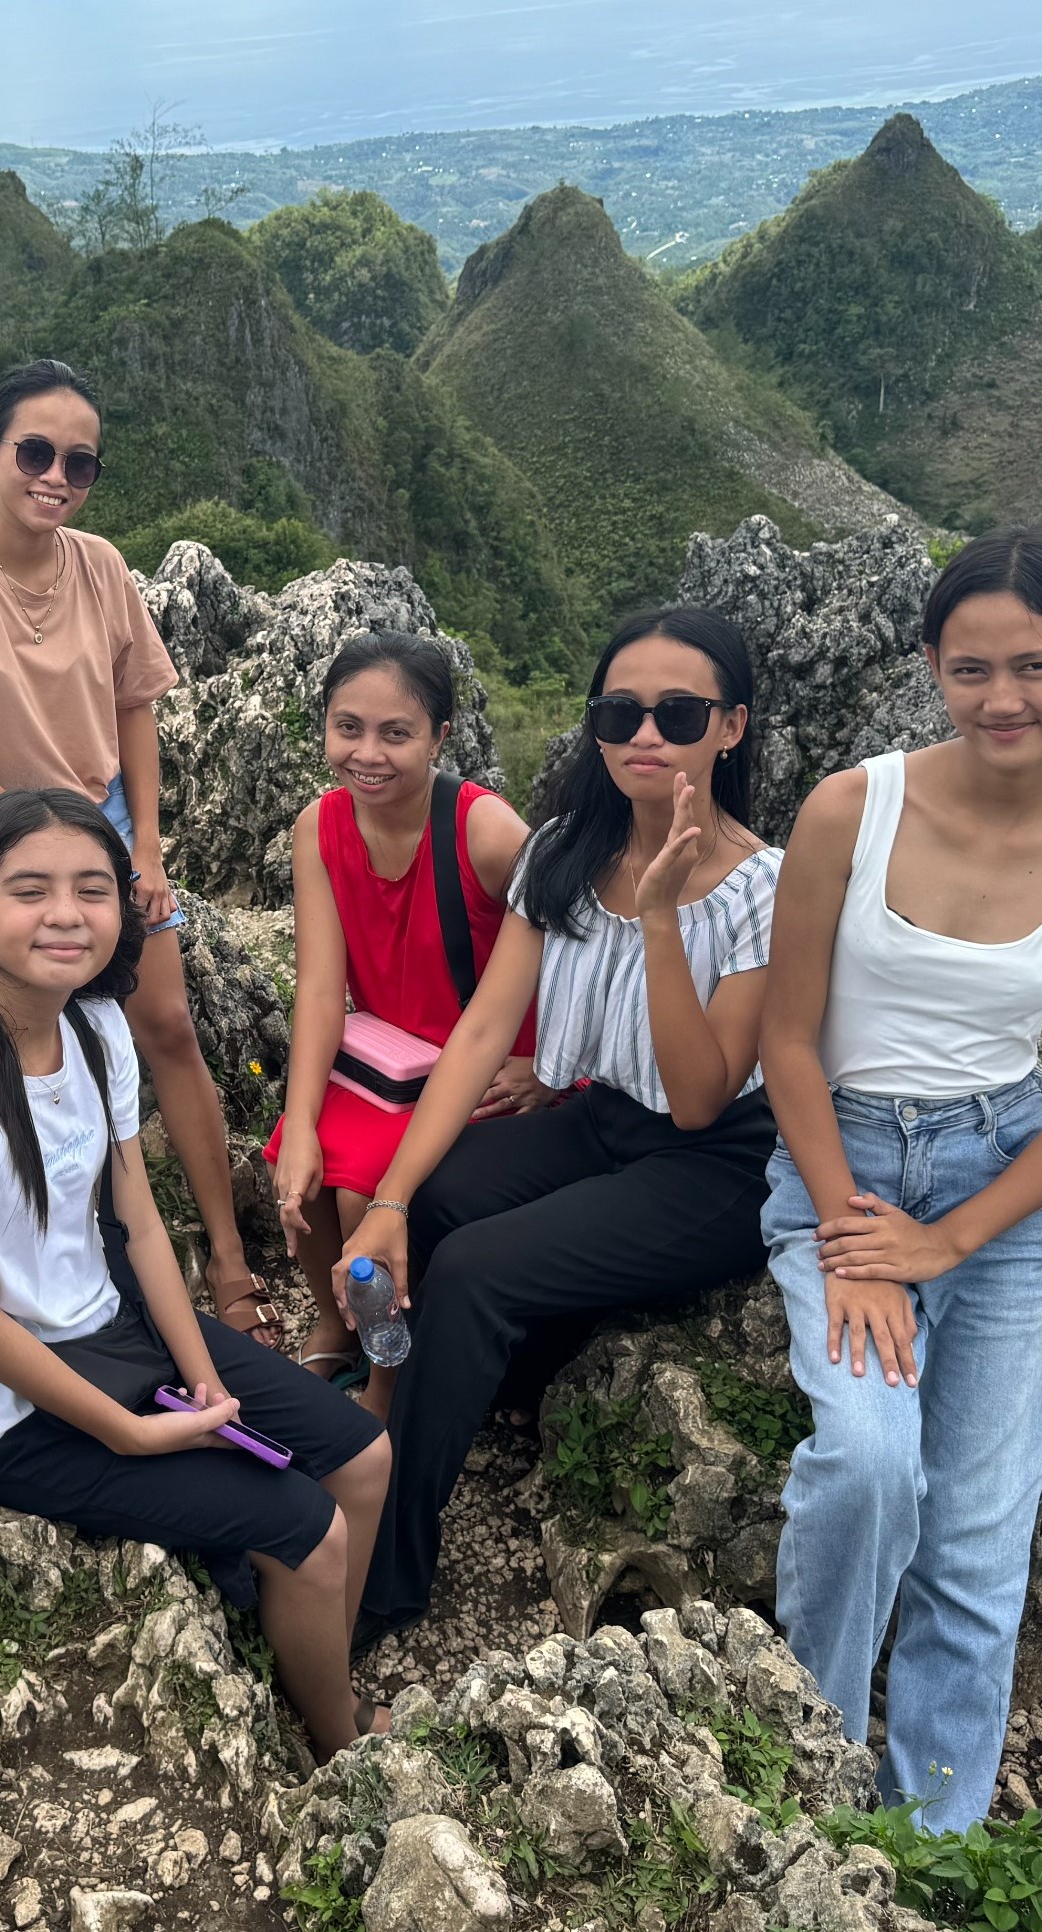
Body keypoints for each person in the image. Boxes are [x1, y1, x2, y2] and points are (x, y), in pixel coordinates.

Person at [756, 525, 1042, 1832]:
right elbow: (785, 1038)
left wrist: (950, 1245)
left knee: (981, 1545)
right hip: (851, 1158)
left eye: (1037, 666)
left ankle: (933, 1838)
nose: (1004, 699)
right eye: (972, 668)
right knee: (871, 1468)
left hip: (1006, 1190)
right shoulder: (852, 809)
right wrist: (853, 1228)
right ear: (934, 665)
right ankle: (811, 1777)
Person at [0, 789, 392, 1759]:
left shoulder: (95, 1027)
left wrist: (208, 1374)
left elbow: (137, 1216)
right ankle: (336, 1738)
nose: (66, 912)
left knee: (363, 1455)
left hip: (104, 1324)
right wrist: (131, 1435)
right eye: (30, 889)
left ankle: (321, 1660)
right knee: (307, 1526)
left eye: (91, 888)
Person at [336, 607, 784, 1639]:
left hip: (715, 1162)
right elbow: (489, 1024)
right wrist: (392, 1200)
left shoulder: (766, 885)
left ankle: (384, 1566)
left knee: (480, 1267)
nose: (646, 734)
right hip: (608, 1119)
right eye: (620, 710)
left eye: (679, 712)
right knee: (436, 1194)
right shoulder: (565, 851)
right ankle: (415, 1395)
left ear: (732, 725)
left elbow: (705, 1091)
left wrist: (665, 914)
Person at [0, 357, 279, 1344]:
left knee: (168, 1027)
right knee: (30, 1056)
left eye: (80, 462)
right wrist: (48, 836)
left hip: (104, 817)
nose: (56, 476)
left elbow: (135, 710)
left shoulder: (100, 568)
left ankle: (224, 1254)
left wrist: (143, 846)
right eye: (36, 452)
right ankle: (59, 1261)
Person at [265, 632, 546, 1407]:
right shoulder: (318, 829)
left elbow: (575, 947)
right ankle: (334, 1323)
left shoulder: (483, 831)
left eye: (397, 733)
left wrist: (552, 1068)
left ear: (440, 739)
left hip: (486, 1065)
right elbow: (322, 989)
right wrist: (299, 1116)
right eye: (347, 727)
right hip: (392, 1061)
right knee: (300, 1152)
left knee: (366, 1192)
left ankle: (388, 1379)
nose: (368, 753)